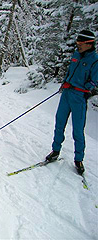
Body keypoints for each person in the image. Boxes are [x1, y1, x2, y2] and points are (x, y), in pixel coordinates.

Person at [46, 30, 98, 175]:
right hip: (67, 94)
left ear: (89, 44)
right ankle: (55, 151)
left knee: (78, 130)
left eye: (80, 43)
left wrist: (81, 88)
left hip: (79, 97)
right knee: (59, 123)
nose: (78, 46)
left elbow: (94, 81)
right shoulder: (76, 55)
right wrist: (64, 84)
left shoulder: (95, 60)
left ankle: (79, 159)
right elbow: (70, 72)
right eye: (77, 43)